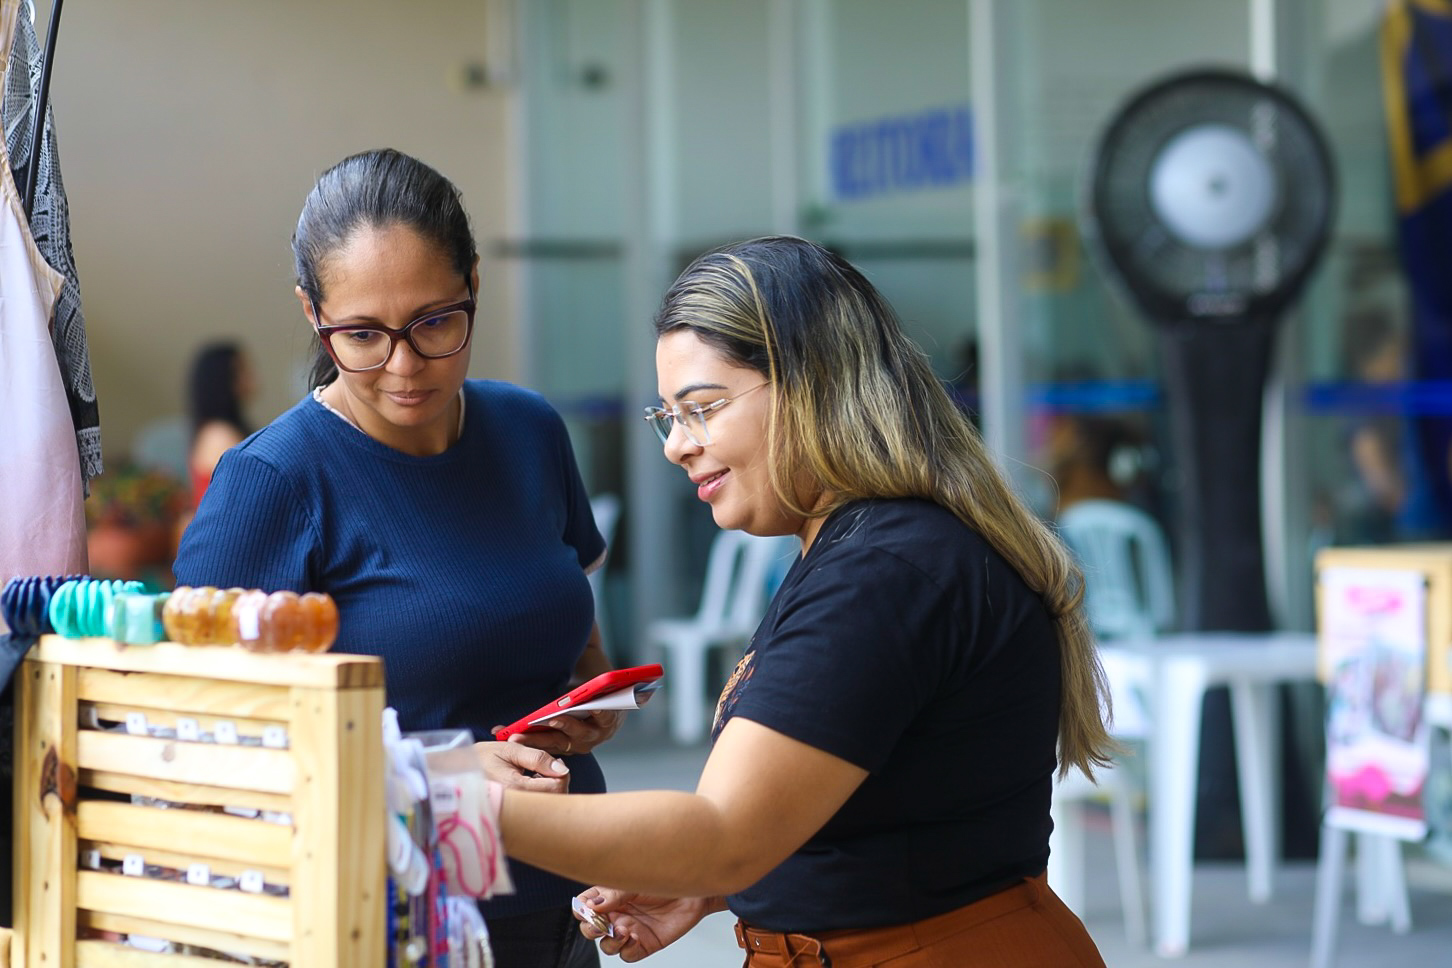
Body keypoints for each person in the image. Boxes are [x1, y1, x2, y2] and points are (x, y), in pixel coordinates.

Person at [495, 236, 1115, 966]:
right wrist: (725, 887)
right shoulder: (868, 548)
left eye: (702, 408)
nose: (676, 446)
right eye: (668, 417)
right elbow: (887, 808)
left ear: (811, 383)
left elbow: (721, 834)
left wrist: (445, 807)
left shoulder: (887, 570)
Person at [173, 148, 615, 968]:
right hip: (396, 925)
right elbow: (205, 743)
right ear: (313, 313)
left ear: (474, 285)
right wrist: (438, 769)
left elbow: (568, 633)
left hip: (566, 899)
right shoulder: (272, 482)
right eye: (364, 336)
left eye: (435, 323)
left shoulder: (528, 430)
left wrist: (584, 701)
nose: (405, 367)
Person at [185, 341, 256, 510]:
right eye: (242, 370)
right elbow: (244, 498)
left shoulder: (218, 430)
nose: (251, 376)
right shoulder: (220, 435)